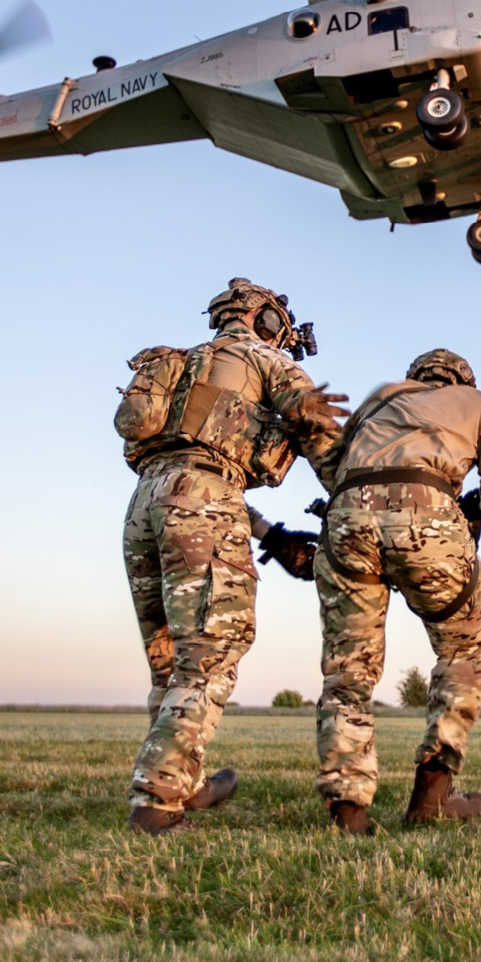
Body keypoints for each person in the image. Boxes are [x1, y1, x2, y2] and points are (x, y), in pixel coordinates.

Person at [113, 279, 345, 834]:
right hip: (205, 498)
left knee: (170, 659)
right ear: (264, 319)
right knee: (213, 649)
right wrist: (357, 501)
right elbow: (321, 441)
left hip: (145, 502)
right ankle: (158, 799)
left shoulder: (180, 363)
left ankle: (186, 783)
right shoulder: (265, 359)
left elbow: (186, 459)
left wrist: (270, 535)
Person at [310, 347, 481, 833]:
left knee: (349, 667)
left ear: (417, 376)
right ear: (461, 379)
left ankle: (348, 810)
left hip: (347, 515)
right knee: (465, 646)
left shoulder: (381, 397)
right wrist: (476, 509)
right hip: (428, 510)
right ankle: (434, 793)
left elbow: (333, 465)